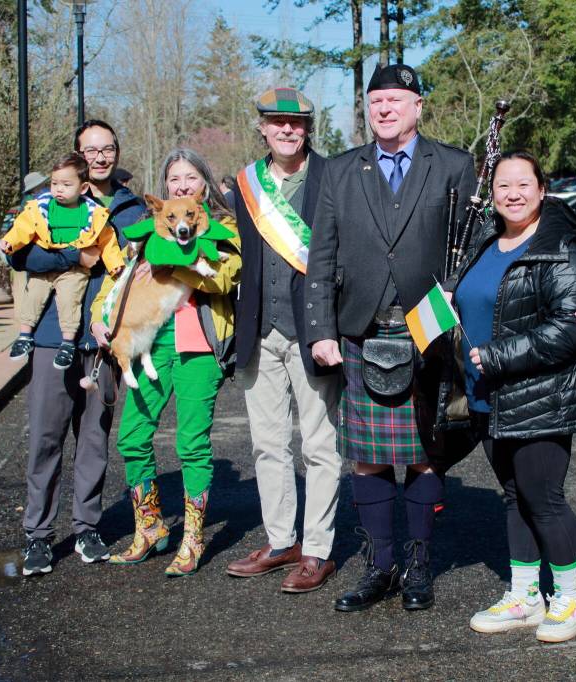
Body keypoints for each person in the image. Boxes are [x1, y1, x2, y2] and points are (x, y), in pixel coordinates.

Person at [306, 63, 476, 612]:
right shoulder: (338, 169)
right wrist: (320, 330)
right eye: (375, 99)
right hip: (361, 329)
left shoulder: (453, 165)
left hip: (428, 330)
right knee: (368, 459)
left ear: (417, 107)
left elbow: (474, 242)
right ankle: (380, 564)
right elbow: (322, 255)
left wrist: (451, 296)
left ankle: (419, 563)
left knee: (425, 452)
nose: (384, 108)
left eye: (396, 100)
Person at [450, 151, 576, 642]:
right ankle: (525, 596)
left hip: (541, 396)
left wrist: (499, 355)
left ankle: (572, 597)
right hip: (487, 395)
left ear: (542, 189)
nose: (512, 194)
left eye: (523, 185)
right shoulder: (486, 242)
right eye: (502, 186)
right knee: (513, 496)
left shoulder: (559, 248)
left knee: (545, 498)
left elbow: (574, 326)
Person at [8, 119, 147, 577]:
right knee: (46, 439)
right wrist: (75, 256)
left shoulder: (129, 207)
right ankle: (38, 535)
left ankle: (87, 527)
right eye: (90, 149)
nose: (100, 156)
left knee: (93, 440)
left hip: (103, 342)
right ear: (77, 155)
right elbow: (19, 255)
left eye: (108, 148)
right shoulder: (48, 201)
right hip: (52, 336)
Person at [95, 147, 241, 577]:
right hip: (150, 343)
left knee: (191, 444)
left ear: (204, 184)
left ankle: (192, 539)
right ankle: (150, 527)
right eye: (174, 178)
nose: (181, 184)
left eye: (190, 177)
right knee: (132, 436)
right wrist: (98, 318)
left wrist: (176, 266)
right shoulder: (148, 230)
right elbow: (115, 278)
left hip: (199, 344)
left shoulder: (223, 225)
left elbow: (227, 276)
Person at [224, 88, 341, 592]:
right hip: (259, 329)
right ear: (263, 129)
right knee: (268, 444)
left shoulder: (331, 177)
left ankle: (316, 549)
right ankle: (280, 541)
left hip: (312, 332)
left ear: (307, 129)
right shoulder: (245, 185)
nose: (288, 130)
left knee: (319, 445)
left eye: (296, 124)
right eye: (277, 123)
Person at [0, 153, 124, 370]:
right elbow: (23, 228)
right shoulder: (41, 207)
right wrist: (10, 242)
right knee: (34, 294)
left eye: (66, 184)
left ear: (83, 187)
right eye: (54, 183)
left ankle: (67, 341)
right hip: (48, 262)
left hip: (74, 270)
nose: (58, 189)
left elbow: (107, 240)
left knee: (69, 299)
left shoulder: (93, 213)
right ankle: (24, 335)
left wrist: (115, 265)